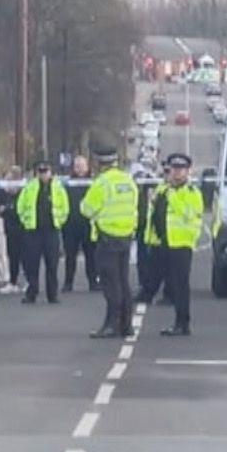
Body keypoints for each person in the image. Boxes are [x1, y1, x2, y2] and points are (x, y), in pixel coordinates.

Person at [78, 141, 139, 339]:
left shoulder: (102, 183)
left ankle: (111, 325)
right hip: (126, 237)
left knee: (110, 284)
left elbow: (86, 209)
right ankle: (126, 324)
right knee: (123, 281)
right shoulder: (128, 181)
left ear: (98, 163)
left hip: (107, 238)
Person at [149, 152, 205, 336]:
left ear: (188, 172)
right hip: (164, 243)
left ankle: (183, 323)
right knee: (167, 283)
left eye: (181, 170)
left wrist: (172, 195)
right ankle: (175, 321)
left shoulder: (192, 193)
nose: (176, 173)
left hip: (182, 244)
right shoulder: (163, 189)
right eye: (174, 169)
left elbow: (188, 214)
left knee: (181, 286)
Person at [15, 160, 68, 304]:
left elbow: (65, 208)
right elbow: (20, 206)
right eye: (40, 172)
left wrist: (59, 222)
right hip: (33, 231)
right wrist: (25, 222)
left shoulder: (58, 188)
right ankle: (31, 293)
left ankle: (52, 294)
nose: (43, 175)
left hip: (51, 230)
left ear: (51, 172)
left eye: (45, 172)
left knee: (52, 264)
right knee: (31, 264)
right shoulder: (30, 187)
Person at [62, 157, 99, 292]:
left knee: (91, 256)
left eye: (82, 166)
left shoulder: (94, 182)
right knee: (70, 256)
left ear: (87, 167)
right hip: (70, 225)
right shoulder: (67, 183)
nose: (79, 169)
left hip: (88, 224)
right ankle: (68, 283)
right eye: (77, 166)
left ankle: (93, 282)